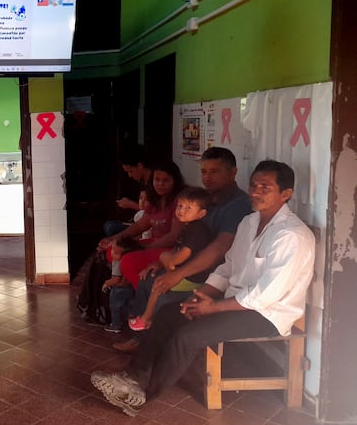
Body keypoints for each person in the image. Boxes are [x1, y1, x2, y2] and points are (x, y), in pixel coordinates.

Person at [91, 160, 315, 417]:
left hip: (267, 314)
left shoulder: (291, 235)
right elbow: (228, 266)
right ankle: (133, 376)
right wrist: (203, 295)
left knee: (188, 335)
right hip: (235, 303)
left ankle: (142, 394)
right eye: (253, 185)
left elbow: (266, 295)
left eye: (265, 187)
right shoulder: (249, 223)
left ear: (286, 194)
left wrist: (214, 307)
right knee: (168, 314)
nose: (255, 192)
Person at [111, 147, 252, 354]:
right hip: (191, 267)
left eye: (215, 172)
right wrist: (161, 262)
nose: (207, 177)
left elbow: (219, 248)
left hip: (213, 277)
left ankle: (153, 348)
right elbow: (185, 240)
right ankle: (142, 336)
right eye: (204, 172)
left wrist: (177, 273)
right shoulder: (205, 198)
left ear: (232, 173)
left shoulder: (238, 205)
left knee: (164, 296)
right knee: (148, 279)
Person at [128, 186, 212, 331]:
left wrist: (168, 261)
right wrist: (162, 262)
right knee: (148, 277)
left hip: (191, 278)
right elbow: (178, 249)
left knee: (158, 286)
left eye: (188, 208)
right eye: (180, 206)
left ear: (201, 213)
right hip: (182, 271)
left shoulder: (197, 230)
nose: (181, 210)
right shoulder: (188, 226)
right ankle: (139, 317)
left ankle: (145, 319)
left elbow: (181, 255)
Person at [98, 160, 186, 290]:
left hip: (170, 249)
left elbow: (173, 236)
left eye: (166, 180)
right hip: (153, 243)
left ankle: (141, 293)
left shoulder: (180, 201)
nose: (160, 184)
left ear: (175, 181)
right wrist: (114, 239)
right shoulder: (155, 199)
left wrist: (143, 247)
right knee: (112, 249)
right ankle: (126, 280)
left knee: (127, 259)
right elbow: (140, 225)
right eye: (157, 179)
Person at [101, 237, 143, 333]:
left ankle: (116, 325)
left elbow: (116, 279)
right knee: (130, 302)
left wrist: (106, 283)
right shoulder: (133, 260)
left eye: (115, 252)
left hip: (119, 289)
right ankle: (133, 318)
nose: (111, 253)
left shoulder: (117, 263)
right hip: (130, 287)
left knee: (115, 307)